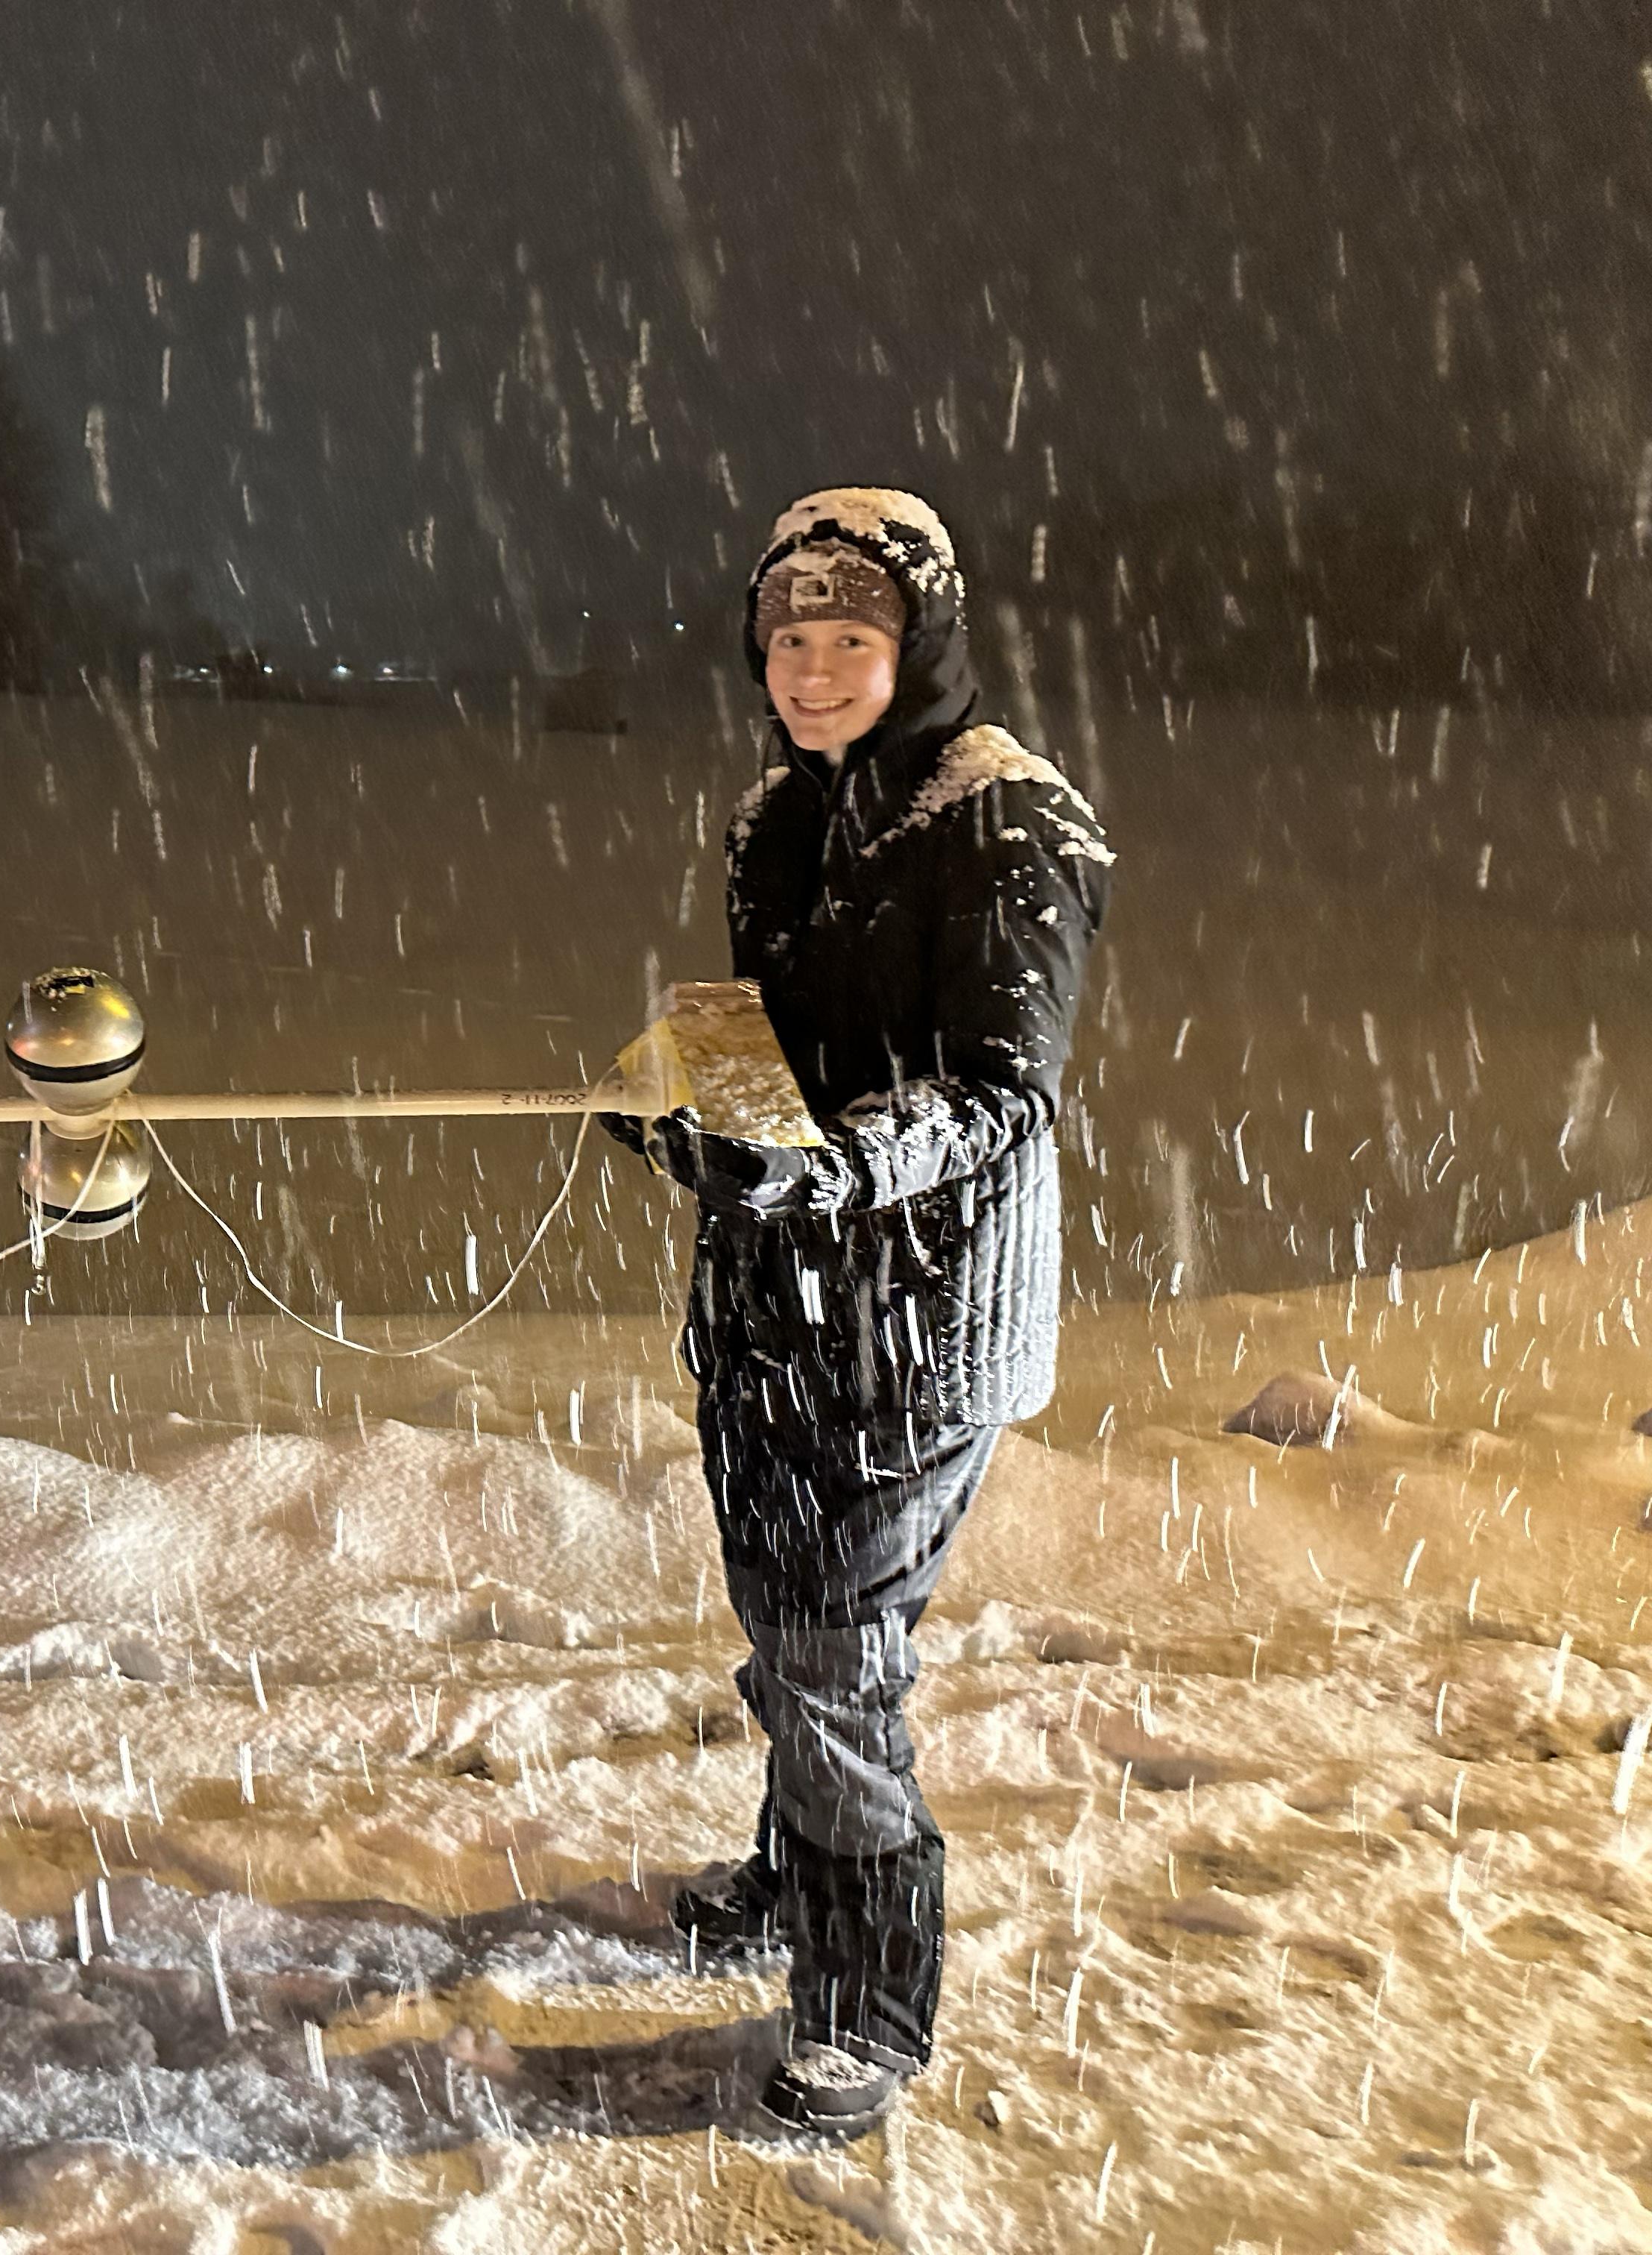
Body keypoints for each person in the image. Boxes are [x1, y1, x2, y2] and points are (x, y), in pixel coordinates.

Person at [609, 490, 1112, 2136]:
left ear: (921, 646)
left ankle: (872, 2003)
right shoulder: (779, 821)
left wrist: (823, 1167)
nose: (814, 668)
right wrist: (678, 1086)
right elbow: (768, 1037)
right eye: (789, 639)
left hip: (920, 1321)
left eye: (851, 636)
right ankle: (789, 1872)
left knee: (835, 1658)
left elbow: (996, 1092)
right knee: (784, 1617)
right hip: (772, 1305)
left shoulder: (1008, 822)